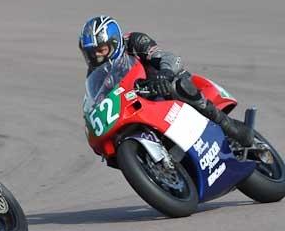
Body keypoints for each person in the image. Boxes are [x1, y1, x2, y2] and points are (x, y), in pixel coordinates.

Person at [78, 15, 254, 147]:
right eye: (92, 53)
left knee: (178, 86)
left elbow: (169, 57)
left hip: (163, 85)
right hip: (137, 104)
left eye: (101, 49)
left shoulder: (133, 41)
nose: (97, 56)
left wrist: (165, 73)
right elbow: (97, 99)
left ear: (115, 43)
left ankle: (229, 126)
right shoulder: (95, 73)